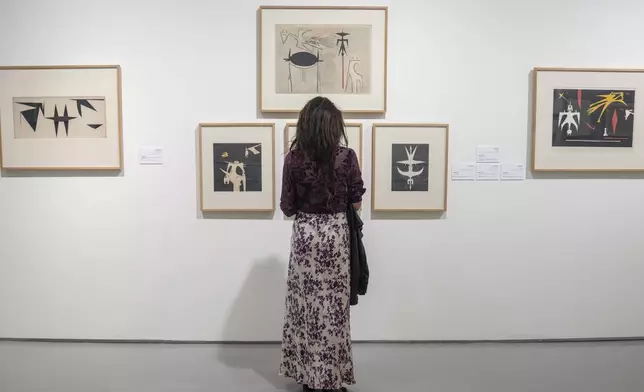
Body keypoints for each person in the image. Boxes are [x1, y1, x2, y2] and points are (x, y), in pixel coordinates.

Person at [279, 96, 365, 392]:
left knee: (306, 308)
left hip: (305, 237)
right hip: (336, 237)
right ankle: (333, 378)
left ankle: (309, 378)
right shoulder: (347, 157)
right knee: (334, 309)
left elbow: (287, 207)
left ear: (305, 125)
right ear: (334, 126)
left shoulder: (293, 159)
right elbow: (356, 200)